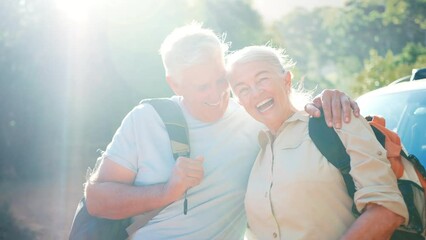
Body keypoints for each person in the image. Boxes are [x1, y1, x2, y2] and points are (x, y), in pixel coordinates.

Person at [85, 23, 358, 239]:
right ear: (174, 84)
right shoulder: (145, 120)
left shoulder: (253, 117)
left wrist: (335, 101)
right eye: (202, 87)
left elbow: (294, 113)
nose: (217, 95)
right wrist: (167, 191)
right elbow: (97, 201)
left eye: (221, 80)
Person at [226, 45, 409, 240]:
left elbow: (387, 209)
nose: (255, 93)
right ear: (239, 102)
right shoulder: (250, 153)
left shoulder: (335, 120)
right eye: (243, 89)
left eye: (262, 79)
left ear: (286, 80)